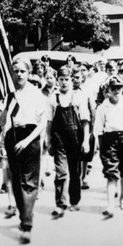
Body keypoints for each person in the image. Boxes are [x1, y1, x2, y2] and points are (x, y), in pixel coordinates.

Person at [0, 57, 47, 244]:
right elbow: (2, 121)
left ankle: (27, 225)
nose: (19, 74)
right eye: (16, 71)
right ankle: (24, 216)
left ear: (29, 73)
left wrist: (27, 141)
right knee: (17, 181)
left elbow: (42, 122)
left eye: (22, 71)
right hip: (13, 137)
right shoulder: (10, 94)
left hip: (30, 137)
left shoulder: (36, 94)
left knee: (29, 181)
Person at [46, 66, 90, 218]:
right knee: (61, 172)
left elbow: (85, 121)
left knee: (74, 171)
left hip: (76, 138)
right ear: (57, 80)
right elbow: (49, 123)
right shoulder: (53, 98)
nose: (64, 83)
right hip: (59, 138)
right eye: (61, 80)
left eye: (66, 79)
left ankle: (75, 201)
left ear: (71, 80)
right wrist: (49, 141)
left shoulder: (78, 97)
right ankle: (60, 203)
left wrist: (86, 141)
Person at [93, 76, 123, 218]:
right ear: (108, 90)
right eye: (113, 88)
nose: (116, 90)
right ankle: (110, 205)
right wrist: (100, 148)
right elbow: (99, 130)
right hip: (109, 139)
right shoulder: (102, 107)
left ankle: (122, 199)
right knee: (111, 173)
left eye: (119, 87)